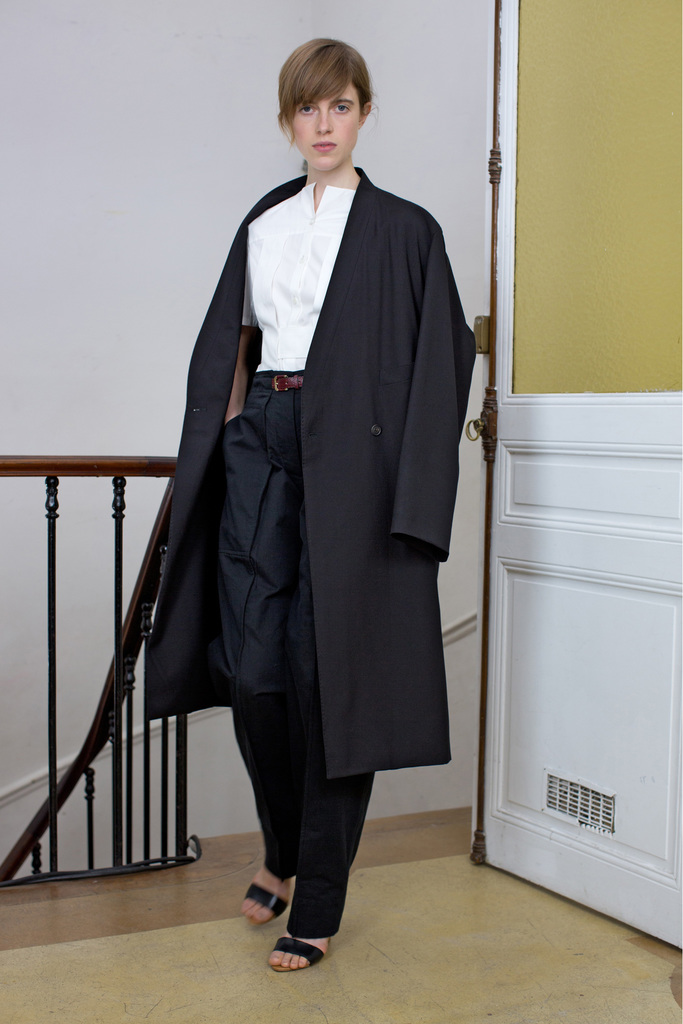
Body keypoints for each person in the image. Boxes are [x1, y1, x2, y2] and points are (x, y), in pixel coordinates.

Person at [147, 38, 476, 972]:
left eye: (339, 106)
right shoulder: (265, 221)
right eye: (306, 108)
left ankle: (317, 899)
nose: (323, 125)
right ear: (287, 121)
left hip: (355, 467)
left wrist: (414, 506)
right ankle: (283, 850)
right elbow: (235, 342)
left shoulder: (405, 230)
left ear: (364, 113)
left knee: (332, 682)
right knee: (254, 672)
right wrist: (226, 444)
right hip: (264, 446)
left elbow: (442, 362)